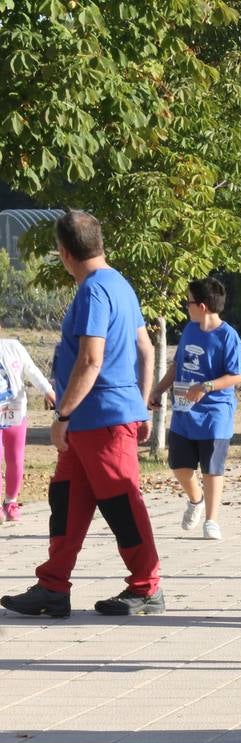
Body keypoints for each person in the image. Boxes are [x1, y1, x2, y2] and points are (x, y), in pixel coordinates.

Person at [0, 209, 163, 618]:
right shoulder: (120, 284)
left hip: (100, 421)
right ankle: (53, 586)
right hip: (101, 419)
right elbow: (146, 349)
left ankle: (146, 587)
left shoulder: (93, 291)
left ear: (63, 252)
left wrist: (63, 415)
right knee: (66, 501)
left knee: (122, 504)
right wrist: (141, 405)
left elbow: (92, 360)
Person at [148, 277, 241, 541]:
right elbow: (177, 365)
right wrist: (157, 390)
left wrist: (207, 386)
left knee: (212, 468)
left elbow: (238, 375)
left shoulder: (228, 336)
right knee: (179, 465)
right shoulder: (190, 330)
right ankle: (195, 500)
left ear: (201, 306)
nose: (186, 306)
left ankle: (211, 520)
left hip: (216, 413)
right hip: (184, 412)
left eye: (189, 301)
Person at [0, 327, 57, 521]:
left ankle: (11, 502)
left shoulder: (13, 347)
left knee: (15, 459)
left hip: (16, 412)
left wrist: (48, 391)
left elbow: (32, 371)